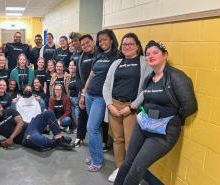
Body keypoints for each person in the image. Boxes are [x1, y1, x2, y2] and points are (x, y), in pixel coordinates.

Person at [114, 40, 197, 185]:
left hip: (163, 132)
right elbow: (145, 101)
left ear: (165, 55)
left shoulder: (177, 77)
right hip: (144, 125)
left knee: (137, 168)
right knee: (128, 161)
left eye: (155, 52)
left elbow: (189, 106)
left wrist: (171, 120)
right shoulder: (149, 79)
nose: (150, 56)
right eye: (147, 54)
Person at [103, 33, 153, 182]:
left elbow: (147, 88)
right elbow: (106, 85)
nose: (127, 46)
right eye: (124, 44)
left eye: (130, 44)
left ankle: (131, 175)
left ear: (137, 46)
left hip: (131, 107)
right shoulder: (116, 63)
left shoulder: (144, 62)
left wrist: (132, 107)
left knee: (131, 142)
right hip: (114, 105)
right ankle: (120, 169)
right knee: (118, 140)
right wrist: (109, 104)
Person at [79, 29, 120, 172]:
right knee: (95, 128)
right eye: (100, 40)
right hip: (90, 95)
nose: (102, 43)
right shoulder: (99, 55)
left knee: (91, 128)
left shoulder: (117, 56)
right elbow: (92, 74)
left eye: (105, 40)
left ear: (112, 40)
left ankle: (97, 161)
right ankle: (94, 152)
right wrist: (84, 94)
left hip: (101, 98)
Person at [0, 101, 74, 151]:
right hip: (24, 138)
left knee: (49, 112)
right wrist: (0, 143)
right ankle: (57, 143)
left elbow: (20, 123)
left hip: (31, 126)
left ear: (1, 106)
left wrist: (10, 138)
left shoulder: (10, 111)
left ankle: (58, 138)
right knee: (39, 140)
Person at [74, 34, 97, 147]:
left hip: (98, 93)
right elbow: (77, 77)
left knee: (99, 119)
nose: (85, 45)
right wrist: (82, 90)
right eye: (83, 44)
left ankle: (103, 141)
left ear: (93, 41)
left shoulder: (100, 55)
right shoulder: (80, 58)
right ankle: (79, 136)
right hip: (84, 91)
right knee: (82, 114)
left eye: (87, 42)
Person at [67, 61, 79, 132]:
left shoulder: (78, 76)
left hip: (77, 99)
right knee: (74, 116)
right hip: (70, 99)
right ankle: (77, 127)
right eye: (70, 65)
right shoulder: (68, 77)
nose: (71, 67)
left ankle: (79, 128)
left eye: (73, 65)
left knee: (77, 115)